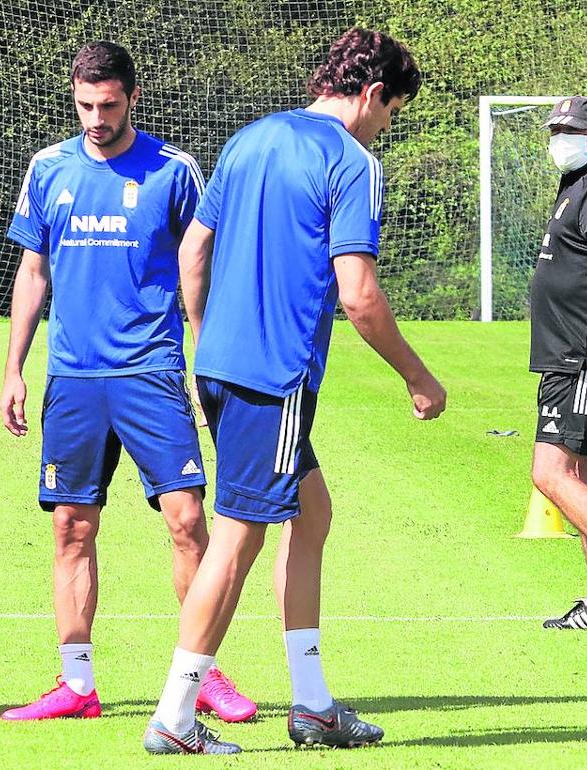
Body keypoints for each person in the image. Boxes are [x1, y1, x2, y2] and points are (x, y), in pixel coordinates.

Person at [141, 28, 446, 755]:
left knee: (310, 515)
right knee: (238, 538)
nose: (386, 127)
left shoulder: (249, 139)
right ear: (373, 94)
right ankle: (174, 719)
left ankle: (312, 706)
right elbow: (360, 295)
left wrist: (206, 335)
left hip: (221, 365)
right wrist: (418, 375)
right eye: (392, 112)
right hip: (272, 376)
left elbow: (193, 250)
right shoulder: (352, 161)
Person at [0, 40, 256, 723]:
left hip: (153, 371)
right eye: (84, 104)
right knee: (72, 529)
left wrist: (210, 365)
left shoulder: (175, 171)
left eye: (108, 105)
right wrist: (13, 370)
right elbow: (33, 272)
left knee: (187, 520)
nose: (95, 117)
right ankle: (77, 684)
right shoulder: (48, 168)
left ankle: (205, 674)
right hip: (75, 379)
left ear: (132, 98)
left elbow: (203, 268)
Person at [528, 96, 587, 630]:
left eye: (571, 130)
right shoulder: (576, 185)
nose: (561, 137)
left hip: (580, 356)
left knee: (551, 474)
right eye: (557, 128)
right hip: (565, 352)